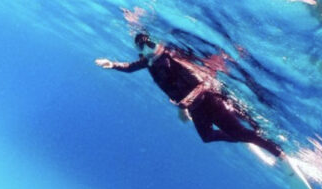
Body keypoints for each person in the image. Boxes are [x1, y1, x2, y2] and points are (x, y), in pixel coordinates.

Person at [95, 32, 285, 159]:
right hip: (194, 107)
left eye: (150, 45)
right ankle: (244, 134)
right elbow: (130, 67)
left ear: (159, 44)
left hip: (208, 99)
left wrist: (184, 106)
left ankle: (276, 150)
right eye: (142, 49)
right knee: (207, 136)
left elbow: (201, 84)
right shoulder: (149, 62)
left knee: (238, 129)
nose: (147, 52)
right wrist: (112, 64)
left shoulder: (173, 58)